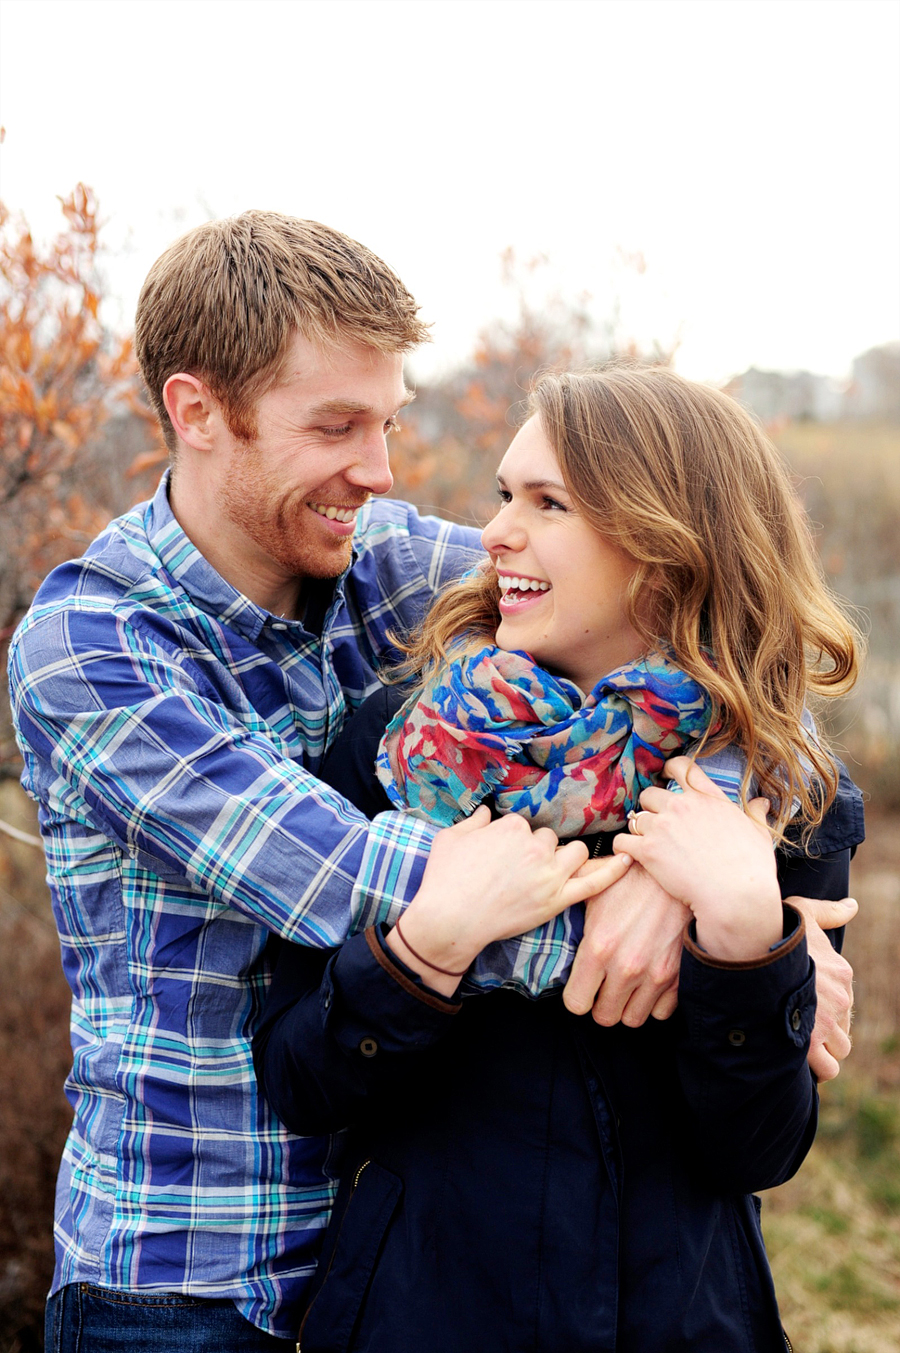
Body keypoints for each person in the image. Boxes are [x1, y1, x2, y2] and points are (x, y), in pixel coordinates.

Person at [8, 213, 855, 1349]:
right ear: (196, 411)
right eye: (337, 426)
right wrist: (734, 944)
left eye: (391, 421)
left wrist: (703, 853)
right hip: (194, 1275)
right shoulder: (92, 647)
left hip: (388, 1247)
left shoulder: (390, 559)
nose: (382, 469)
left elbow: (706, 630)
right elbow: (352, 878)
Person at [254, 367, 865, 1352]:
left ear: (666, 544)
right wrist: (430, 949)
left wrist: (745, 936)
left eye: (549, 503)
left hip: (678, 1326)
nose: (496, 532)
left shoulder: (784, 799)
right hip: (423, 1319)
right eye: (505, 495)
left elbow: (757, 1147)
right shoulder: (404, 752)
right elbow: (302, 1081)